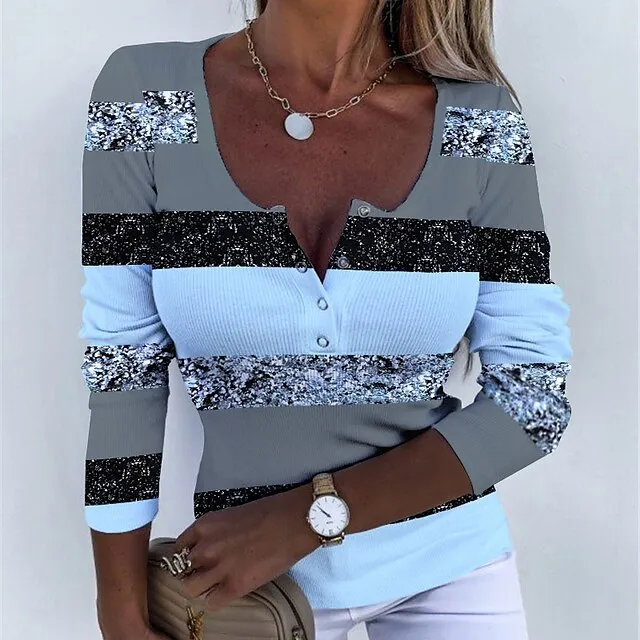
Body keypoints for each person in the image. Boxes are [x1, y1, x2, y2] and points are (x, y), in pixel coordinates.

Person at [79, 1, 573, 638]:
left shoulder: (478, 122)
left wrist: (306, 518)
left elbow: (534, 402)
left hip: (447, 562)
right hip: (245, 597)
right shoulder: (147, 96)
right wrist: (119, 608)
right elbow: (122, 371)